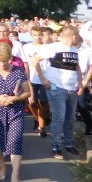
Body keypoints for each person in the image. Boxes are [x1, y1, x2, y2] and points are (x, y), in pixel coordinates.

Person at [0, 42, 31, 182]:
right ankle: (1, 165)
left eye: (5, 61)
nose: (2, 64)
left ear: (10, 57)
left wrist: (13, 98)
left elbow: (27, 92)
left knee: (15, 141)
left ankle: (15, 174)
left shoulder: (18, 71)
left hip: (15, 111)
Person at [32, 26, 84, 160]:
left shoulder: (74, 50)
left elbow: (77, 67)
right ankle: (56, 147)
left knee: (70, 118)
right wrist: (43, 78)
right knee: (59, 118)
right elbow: (35, 60)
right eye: (77, 35)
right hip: (56, 88)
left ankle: (69, 143)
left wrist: (80, 83)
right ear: (73, 36)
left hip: (71, 88)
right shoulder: (53, 47)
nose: (78, 38)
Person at [23, 26, 51, 137]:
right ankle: (38, 120)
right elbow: (25, 64)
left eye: (40, 35)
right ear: (31, 35)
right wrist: (26, 78)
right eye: (35, 35)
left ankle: (41, 127)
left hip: (45, 79)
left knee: (42, 102)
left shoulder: (48, 47)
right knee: (32, 102)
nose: (38, 37)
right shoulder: (26, 47)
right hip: (31, 78)